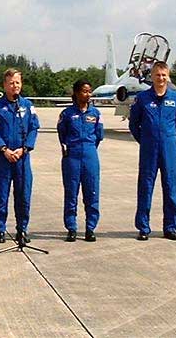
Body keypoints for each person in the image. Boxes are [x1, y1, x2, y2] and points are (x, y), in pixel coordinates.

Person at [129, 61, 176, 241]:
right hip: (149, 148)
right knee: (146, 187)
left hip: (169, 147)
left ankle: (170, 227)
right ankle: (143, 227)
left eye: (164, 75)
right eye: (157, 75)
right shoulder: (143, 98)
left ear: (167, 76)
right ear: (151, 77)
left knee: (170, 187)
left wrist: (170, 138)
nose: (160, 78)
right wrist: (146, 139)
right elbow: (133, 124)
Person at [0, 68, 40, 244]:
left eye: (17, 82)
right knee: (1, 194)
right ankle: (0, 229)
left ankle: (22, 229)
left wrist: (24, 149)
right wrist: (4, 149)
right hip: (3, 158)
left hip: (22, 158)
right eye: (11, 83)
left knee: (23, 194)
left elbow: (33, 128)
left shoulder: (28, 106)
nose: (15, 86)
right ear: (4, 85)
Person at [57, 80, 104, 242]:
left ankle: (90, 228)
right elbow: (62, 134)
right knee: (71, 193)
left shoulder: (95, 114)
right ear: (76, 93)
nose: (88, 94)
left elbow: (99, 136)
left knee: (92, 192)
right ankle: (71, 228)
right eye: (84, 91)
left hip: (90, 155)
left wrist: (88, 148)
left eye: (89, 91)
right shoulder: (67, 114)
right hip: (72, 156)